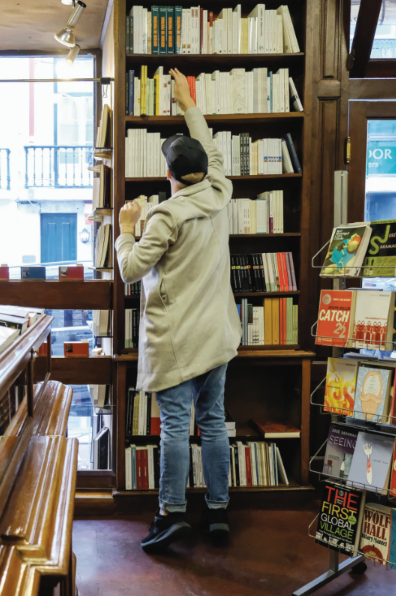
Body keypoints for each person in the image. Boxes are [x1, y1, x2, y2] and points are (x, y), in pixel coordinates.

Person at [115, 68, 241, 554]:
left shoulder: (165, 215)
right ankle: (218, 512)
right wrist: (189, 103)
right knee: (212, 421)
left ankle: (170, 513)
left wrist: (127, 227)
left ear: (169, 175)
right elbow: (210, 147)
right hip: (218, 334)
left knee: (173, 426)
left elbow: (130, 269)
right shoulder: (219, 191)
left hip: (178, 339)